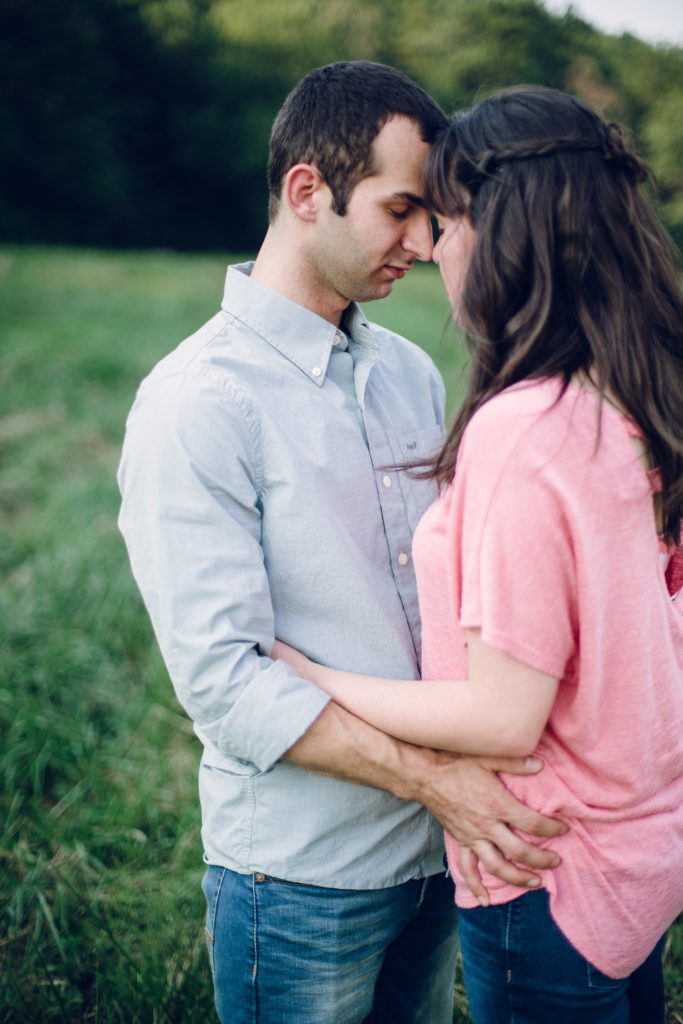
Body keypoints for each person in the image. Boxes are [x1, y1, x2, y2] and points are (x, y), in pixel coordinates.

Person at [117, 63, 565, 1024]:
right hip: (303, 874)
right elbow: (225, 682)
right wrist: (437, 781)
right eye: (400, 208)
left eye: (433, 215)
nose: (425, 242)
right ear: (306, 190)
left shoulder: (412, 373)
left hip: (440, 857)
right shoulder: (196, 402)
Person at [273, 85, 683, 1023]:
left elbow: (502, 716)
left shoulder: (524, 427)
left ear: (502, 234)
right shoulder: (624, 397)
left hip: (547, 871)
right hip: (639, 853)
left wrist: (315, 675)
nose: (429, 249)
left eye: (444, 220)